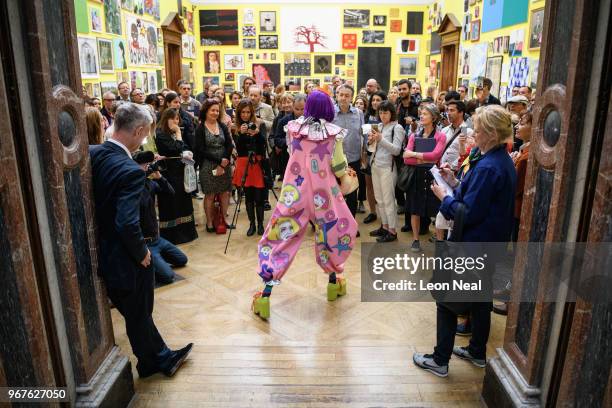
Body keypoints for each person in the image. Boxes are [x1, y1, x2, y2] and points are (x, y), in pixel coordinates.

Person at [89, 103, 193, 379]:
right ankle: (153, 362)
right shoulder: (131, 170)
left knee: (136, 314)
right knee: (138, 311)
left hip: (103, 250)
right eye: (145, 134)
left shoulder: (93, 152)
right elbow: (126, 222)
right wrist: (141, 252)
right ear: (138, 130)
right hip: (125, 257)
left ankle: (158, 358)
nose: (145, 139)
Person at [413, 105, 516, 377]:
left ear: (492, 134)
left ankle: (439, 360)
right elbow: (479, 199)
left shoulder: (488, 167)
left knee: (446, 299)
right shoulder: (500, 160)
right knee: (481, 298)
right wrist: (454, 181)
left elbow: (467, 213)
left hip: (473, 244)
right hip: (491, 243)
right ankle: (477, 351)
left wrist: (444, 198)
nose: (474, 134)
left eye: (479, 130)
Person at [252, 91, 358, 319]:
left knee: (282, 237)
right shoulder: (332, 134)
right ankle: (333, 282)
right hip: (324, 194)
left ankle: (265, 295)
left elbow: (293, 156)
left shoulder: (293, 130)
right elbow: (339, 166)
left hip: (295, 193)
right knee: (331, 233)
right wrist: (345, 172)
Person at [133, 151, 188, 284]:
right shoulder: (133, 187)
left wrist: (159, 177)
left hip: (157, 239)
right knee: (168, 276)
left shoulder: (149, 184)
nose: (147, 167)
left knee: (182, 260)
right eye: (144, 165)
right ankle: (151, 263)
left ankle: (157, 261)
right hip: (145, 243)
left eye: (148, 165)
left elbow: (170, 192)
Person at [403, 103, 447, 252]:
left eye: (425, 114)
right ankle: (416, 239)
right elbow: (405, 159)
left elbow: (435, 156)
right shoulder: (414, 135)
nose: (421, 116)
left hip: (433, 175)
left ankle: (440, 240)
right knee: (415, 209)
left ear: (433, 117)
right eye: (421, 113)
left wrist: (415, 155)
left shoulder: (441, 136)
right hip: (417, 175)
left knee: (438, 210)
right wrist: (424, 159)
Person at [154, 108, 198, 244]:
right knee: (171, 203)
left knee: (183, 202)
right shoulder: (160, 133)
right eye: (173, 118)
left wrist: (187, 152)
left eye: (177, 119)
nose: (175, 121)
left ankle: (186, 233)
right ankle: (173, 236)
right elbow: (175, 148)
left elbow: (183, 146)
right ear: (165, 119)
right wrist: (179, 133)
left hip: (179, 171)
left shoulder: (173, 133)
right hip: (168, 174)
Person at [367, 101, 406, 242]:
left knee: (389, 200)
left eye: (386, 112)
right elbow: (373, 148)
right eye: (381, 112)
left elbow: (396, 150)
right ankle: (384, 226)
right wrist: (371, 141)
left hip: (388, 168)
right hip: (375, 165)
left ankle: (392, 231)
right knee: (379, 200)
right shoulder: (379, 126)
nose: (383, 115)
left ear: (392, 113)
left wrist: (381, 139)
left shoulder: (398, 127)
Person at [435, 99, 473, 240]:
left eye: (452, 110)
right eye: (447, 110)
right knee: (441, 209)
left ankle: (450, 240)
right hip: (442, 173)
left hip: (457, 175)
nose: (448, 113)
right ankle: (442, 241)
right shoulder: (444, 130)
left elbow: (467, 155)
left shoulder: (467, 130)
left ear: (461, 112)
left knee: (451, 212)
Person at [194, 98, 234, 232]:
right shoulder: (200, 128)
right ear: (206, 111)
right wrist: (219, 161)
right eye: (213, 110)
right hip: (208, 164)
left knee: (225, 193)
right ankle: (210, 222)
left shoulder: (222, 125)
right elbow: (200, 149)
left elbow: (229, 144)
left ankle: (224, 219)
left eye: (217, 110)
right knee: (210, 194)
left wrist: (224, 160)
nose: (215, 113)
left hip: (224, 163)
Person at [232, 99, 268, 236]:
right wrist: (241, 134)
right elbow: (239, 149)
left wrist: (257, 134)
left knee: (259, 196)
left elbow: (263, 145)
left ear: (252, 112)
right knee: (248, 197)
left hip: (257, 163)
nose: (245, 115)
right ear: (239, 113)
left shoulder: (260, 124)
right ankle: (252, 224)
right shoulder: (235, 127)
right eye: (243, 112)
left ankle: (260, 224)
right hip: (243, 163)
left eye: (248, 112)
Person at [333, 84, 365, 219]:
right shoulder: (330, 113)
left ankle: (350, 224)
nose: (343, 98)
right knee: (335, 193)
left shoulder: (359, 113)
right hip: (335, 161)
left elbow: (363, 134)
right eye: (341, 95)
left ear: (352, 97)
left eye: (347, 96)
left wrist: (363, 156)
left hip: (353, 159)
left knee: (352, 193)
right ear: (336, 96)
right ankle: (337, 222)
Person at [270, 92, 295, 180]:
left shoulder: (297, 116)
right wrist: (275, 146)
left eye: (289, 102)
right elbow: (272, 135)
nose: (286, 105)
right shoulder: (278, 119)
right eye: (283, 103)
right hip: (282, 152)